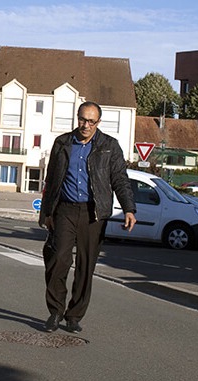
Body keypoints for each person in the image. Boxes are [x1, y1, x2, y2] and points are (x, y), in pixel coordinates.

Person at [38, 101, 136, 333]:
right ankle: (55, 311)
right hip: (65, 210)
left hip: (93, 213)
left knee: (86, 265)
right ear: (77, 118)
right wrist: (46, 212)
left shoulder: (109, 146)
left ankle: (74, 315)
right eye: (82, 119)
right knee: (58, 259)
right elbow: (51, 179)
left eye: (91, 121)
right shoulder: (62, 143)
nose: (86, 125)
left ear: (98, 122)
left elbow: (120, 180)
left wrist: (129, 208)